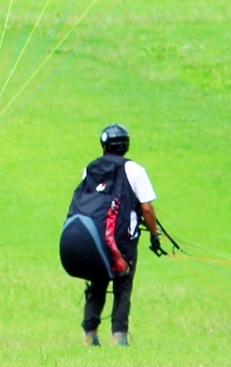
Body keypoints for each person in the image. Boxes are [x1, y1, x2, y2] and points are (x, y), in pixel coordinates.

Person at [70, 123, 164, 347]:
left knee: (97, 282)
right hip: (123, 240)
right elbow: (147, 209)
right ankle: (119, 336)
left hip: (94, 237)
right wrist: (154, 234)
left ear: (104, 145)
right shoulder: (135, 170)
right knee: (123, 285)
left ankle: (89, 334)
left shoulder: (90, 168)